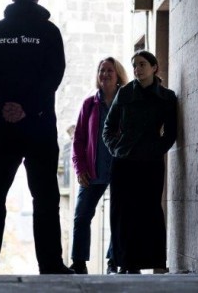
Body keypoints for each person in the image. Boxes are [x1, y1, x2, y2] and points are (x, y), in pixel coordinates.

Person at [0, 0, 73, 275]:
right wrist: (28, 108)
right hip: (40, 127)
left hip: (4, 129)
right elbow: (54, 75)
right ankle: (51, 264)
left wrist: (4, 106)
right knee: (45, 198)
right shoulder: (49, 33)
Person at [102, 50, 177, 274]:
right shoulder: (124, 93)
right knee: (122, 212)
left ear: (154, 68)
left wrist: (156, 150)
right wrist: (117, 149)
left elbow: (171, 133)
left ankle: (153, 261)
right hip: (123, 162)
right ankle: (126, 263)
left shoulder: (167, 97)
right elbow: (108, 128)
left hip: (150, 163)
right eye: (134, 65)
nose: (137, 69)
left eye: (142, 64)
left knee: (150, 210)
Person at [69, 57, 128, 275]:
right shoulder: (89, 104)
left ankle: (115, 262)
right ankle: (78, 263)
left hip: (120, 167)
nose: (104, 74)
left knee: (119, 215)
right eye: (101, 70)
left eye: (109, 70)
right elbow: (78, 140)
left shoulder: (126, 101)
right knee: (82, 215)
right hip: (93, 170)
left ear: (118, 74)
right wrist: (79, 168)